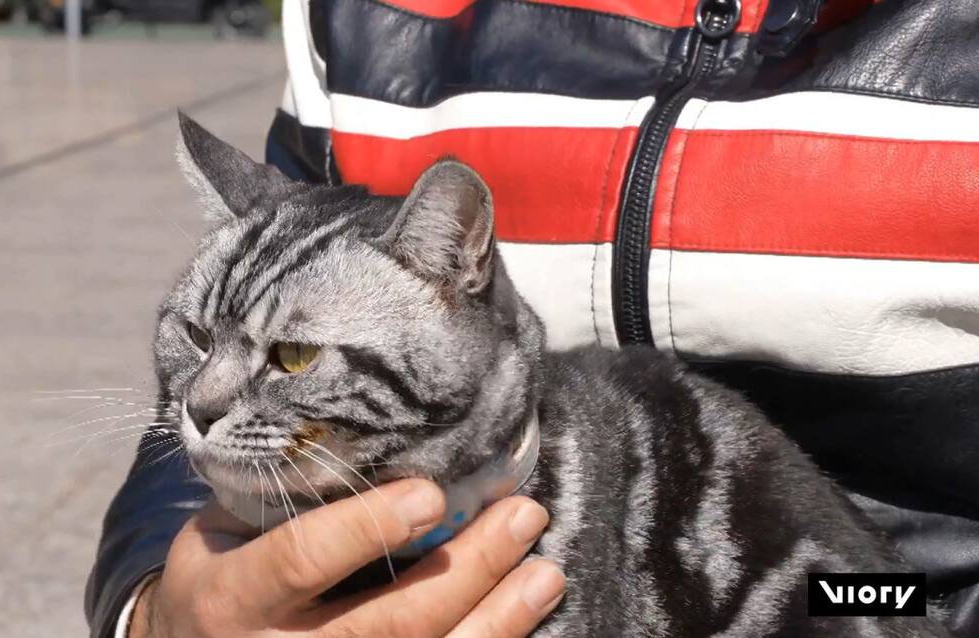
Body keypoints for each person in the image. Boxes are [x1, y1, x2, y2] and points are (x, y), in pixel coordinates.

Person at [86, 0, 979, 635]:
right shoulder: (361, 13)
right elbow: (218, 385)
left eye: (288, 353)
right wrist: (165, 611)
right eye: (196, 346)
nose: (203, 396)